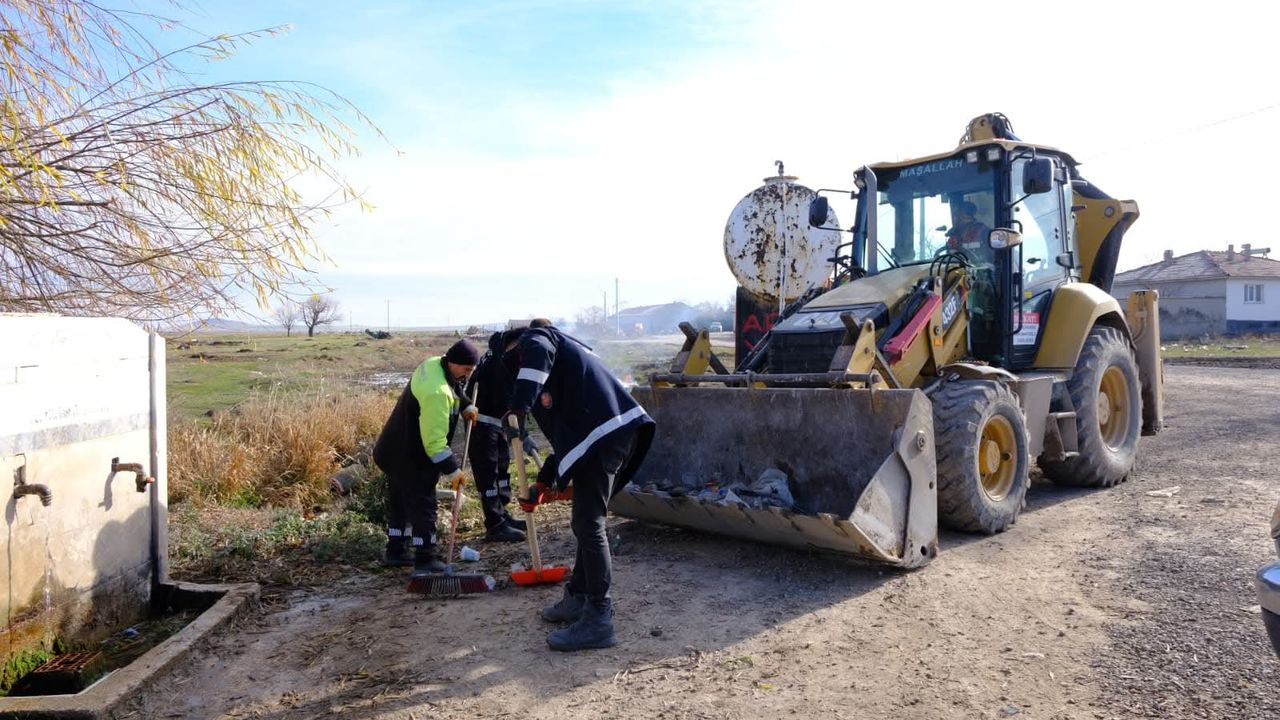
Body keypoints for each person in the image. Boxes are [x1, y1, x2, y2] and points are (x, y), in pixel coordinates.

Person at [504, 323, 655, 651]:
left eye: (514, 361)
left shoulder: (538, 339)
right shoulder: (564, 371)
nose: (516, 368)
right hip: (606, 435)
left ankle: (599, 618)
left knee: (589, 524)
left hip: (608, 436)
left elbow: (538, 349)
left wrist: (517, 408)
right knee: (585, 522)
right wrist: (544, 483)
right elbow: (567, 439)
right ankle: (579, 596)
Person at [372, 338, 480, 574]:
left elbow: (455, 386)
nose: (468, 374)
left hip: (393, 449)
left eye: (472, 370)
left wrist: (465, 405)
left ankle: (396, 551)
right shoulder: (436, 393)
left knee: (400, 501)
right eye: (466, 369)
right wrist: (453, 470)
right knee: (423, 504)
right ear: (453, 362)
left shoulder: (434, 364)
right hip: (409, 455)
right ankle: (426, 558)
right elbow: (435, 444)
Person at [462, 327, 531, 543]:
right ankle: (494, 525)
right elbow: (508, 397)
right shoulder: (499, 359)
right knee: (488, 474)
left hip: (496, 423)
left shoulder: (503, 353)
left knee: (501, 469)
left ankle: (502, 514)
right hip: (481, 423)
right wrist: (521, 429)